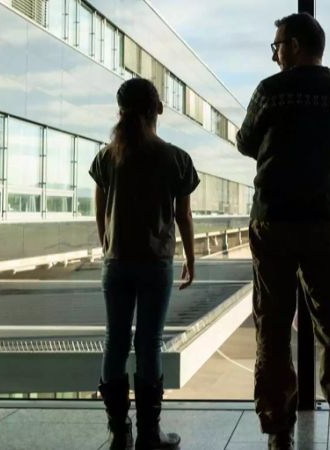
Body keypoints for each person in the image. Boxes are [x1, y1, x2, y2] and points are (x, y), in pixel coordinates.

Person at [236, 12, 330, 450]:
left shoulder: (270, 92)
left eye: (276, 45)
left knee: (273, 327)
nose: (274, 53)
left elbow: (245, 142)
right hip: (323, 221)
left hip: (273, 219)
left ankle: (278, 428)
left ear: (294, 45)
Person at [91, 78, 200, 450]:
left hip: (117, 262)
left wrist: (108, 245)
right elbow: (183, 215)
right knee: (149, 343)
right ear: (159, 109)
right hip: (156, 262)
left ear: (121, 111)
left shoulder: (107, 157)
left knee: (115, 342)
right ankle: (150, 434)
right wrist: (189, 256)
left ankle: (119, 431)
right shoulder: (176, 158)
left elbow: (101, 209)